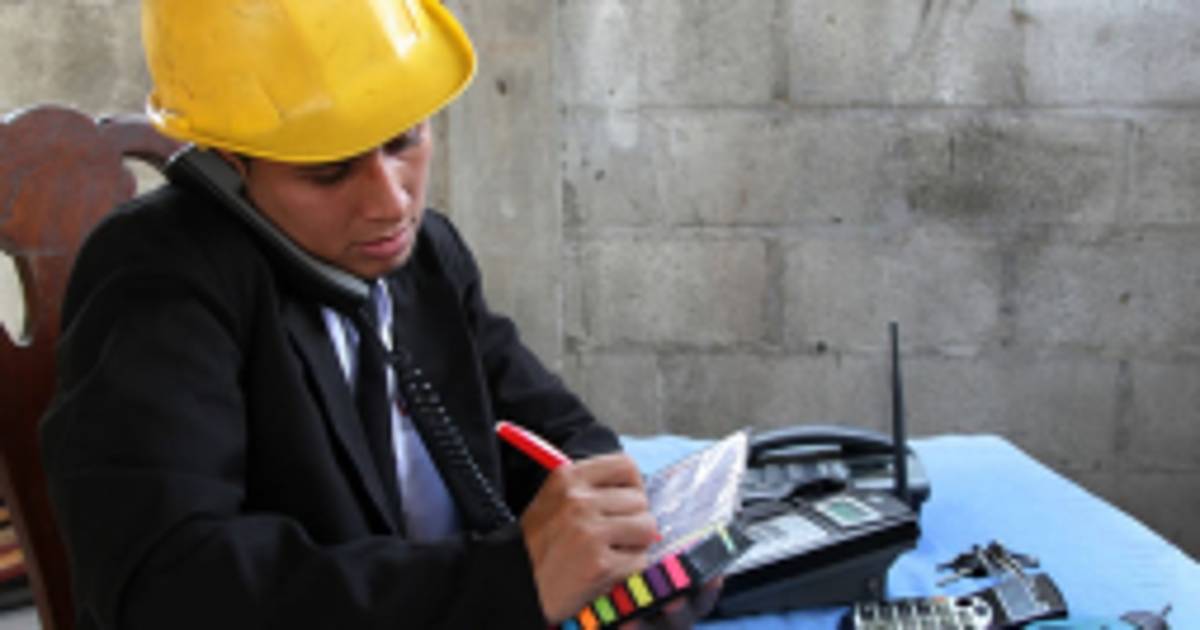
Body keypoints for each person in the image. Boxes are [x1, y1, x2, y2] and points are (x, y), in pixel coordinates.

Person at [39, 1, 717, 628]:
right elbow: (172, 584)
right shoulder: (154, 279)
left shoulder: (426, 255)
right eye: (328, 171)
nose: (391, 203)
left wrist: (625, 539)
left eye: (403, 141)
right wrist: (510, 579)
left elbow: (549, 426)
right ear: (227, 166)